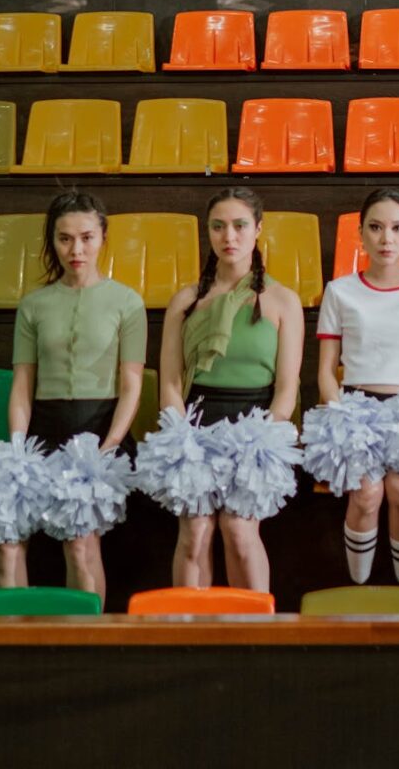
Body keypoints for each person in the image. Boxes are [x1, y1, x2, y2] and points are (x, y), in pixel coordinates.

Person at [0, 190, 146, 601]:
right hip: (42, 430)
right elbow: (23, 383)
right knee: (7, 540)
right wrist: (17, 447)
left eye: (86, 238)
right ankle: (14, 634)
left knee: (80, 544)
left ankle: (87, 635)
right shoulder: (33, 305)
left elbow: (131, 384)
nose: (76, 250)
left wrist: (110, 445)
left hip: (99, 431)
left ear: (103, 238)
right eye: (65, 239)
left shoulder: (127, 302)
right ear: (53, 240)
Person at [158, 187, 303, 592]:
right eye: (218, 227)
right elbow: (170, 381)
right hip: (194, 423)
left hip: (256, 426)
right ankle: (188, 625)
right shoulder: (186, 300)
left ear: (258, 229)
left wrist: (263, 437)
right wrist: (180, 434)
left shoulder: (283, 300)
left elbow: (286, 390)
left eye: (240, 226)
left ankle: (253, 626)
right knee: (195, 530)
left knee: (238, 530)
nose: (229, 237)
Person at [316, 187, 399, 584]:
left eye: (397, 228)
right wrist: (340, 415)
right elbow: (326, 370)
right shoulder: (339, 291)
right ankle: (358, 587)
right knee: (367, 492)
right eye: (375, 228)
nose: (386, 238)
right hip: (355, 410)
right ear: (361, 233)